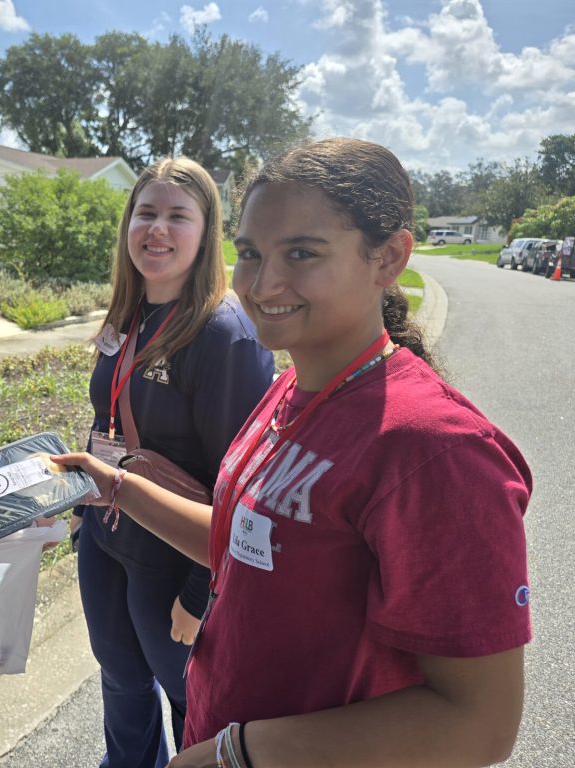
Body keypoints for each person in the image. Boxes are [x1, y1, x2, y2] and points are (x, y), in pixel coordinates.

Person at [56, 138, 532, 767]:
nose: (262, 282)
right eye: (251, 253)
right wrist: (110, 485)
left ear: (390, 257)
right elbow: (244, 543)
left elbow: (480, 724)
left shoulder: (437, 453)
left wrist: (238, 752)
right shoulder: (288, 390)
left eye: (302, 253)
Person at [71, 156, 274, 768]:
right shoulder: (128, 314)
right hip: (106, 540)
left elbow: (242, 485)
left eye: (177, 216)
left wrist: (201, 593)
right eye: (146, 212)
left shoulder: (223, 333)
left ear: (205, 232)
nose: (157, 229)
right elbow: (108, 416)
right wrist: (78, 506)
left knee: (194, 703)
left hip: (175, 562)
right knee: (120, 682)